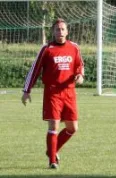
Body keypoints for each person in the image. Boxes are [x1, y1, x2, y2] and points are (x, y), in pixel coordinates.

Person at [22, 18, 85, 169]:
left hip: (69, 93)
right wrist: (26, 90)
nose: (60, 32)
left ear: (67, 31)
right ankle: (52, 161)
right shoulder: (47, 49)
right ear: (53, 32)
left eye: (63, 29)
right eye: (57, 29)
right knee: (54, 126)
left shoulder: (74, 48)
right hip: (53, 93)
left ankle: (52, 150)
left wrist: (80, 75)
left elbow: (79, 65)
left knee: (72, 128)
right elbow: (35, 69)